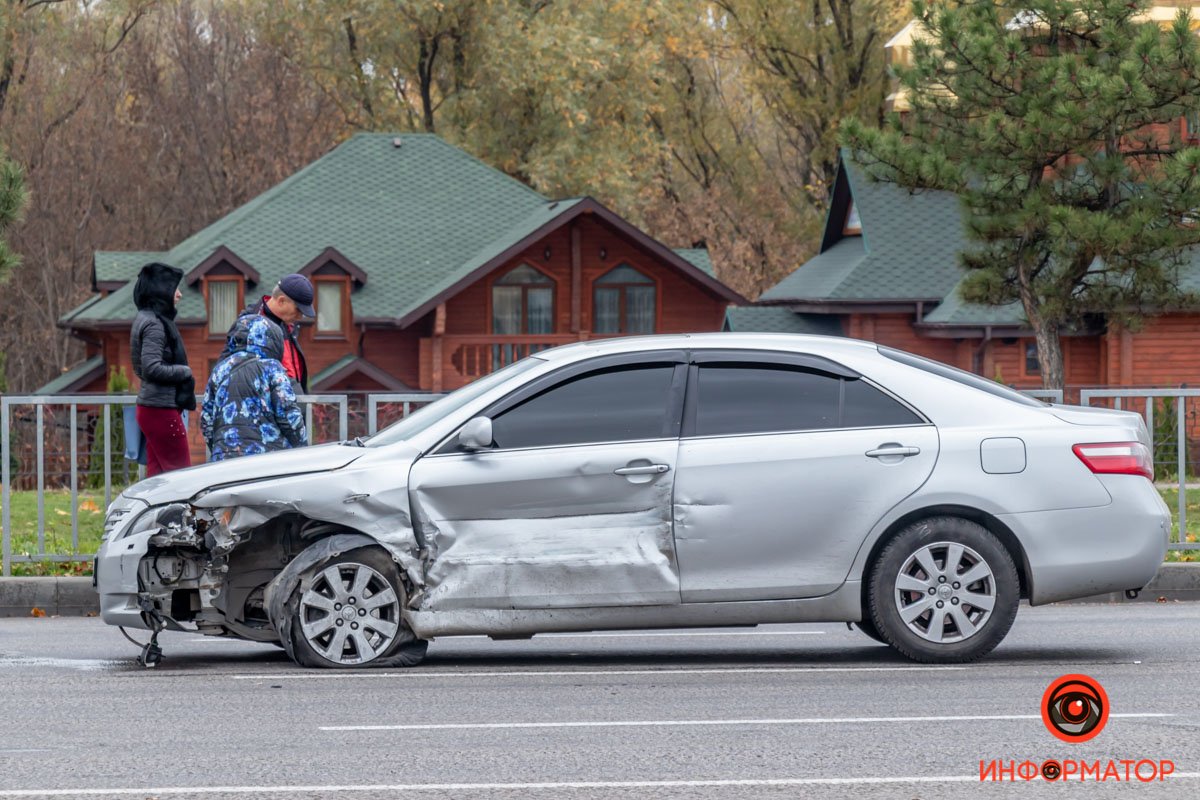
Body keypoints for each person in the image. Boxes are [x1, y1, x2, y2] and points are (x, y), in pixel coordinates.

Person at [202, 315, 307, 461]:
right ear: (271, 341)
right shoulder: (271, 367)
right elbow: (288, 414)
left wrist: (219, 448)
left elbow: (206, 419)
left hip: (224, 460)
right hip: (265, 459)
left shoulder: (220, 369)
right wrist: (302, 447)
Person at [130, 262, 195, 477]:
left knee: (158, 477)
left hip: (152, 408)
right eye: (174, 289)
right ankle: (178, 512)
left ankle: (154, 511)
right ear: (161, 291)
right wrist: (184, 371)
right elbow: (150, 368)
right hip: (160, 410)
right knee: (180, 476)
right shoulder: (156, 325)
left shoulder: (146, 318)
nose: (179, 295)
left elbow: (141, 368)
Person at [221, 274, 313, 393]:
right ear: (281, 301)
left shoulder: (287, 324)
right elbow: (235, 374)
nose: (300, 316)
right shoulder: (249, 327)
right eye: (298, 310)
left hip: (288, 404)